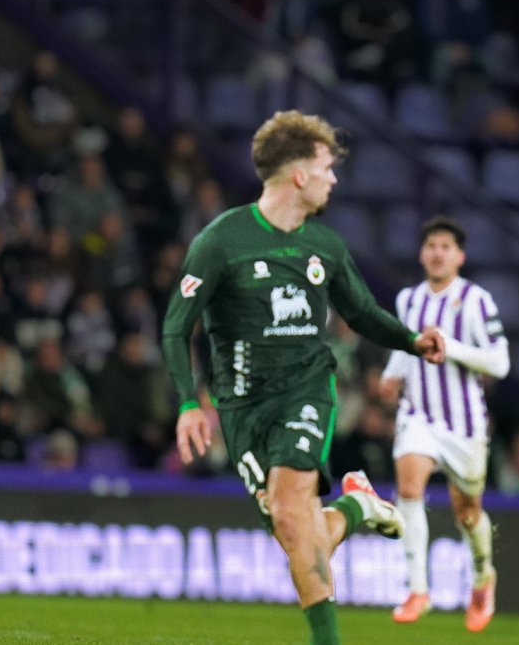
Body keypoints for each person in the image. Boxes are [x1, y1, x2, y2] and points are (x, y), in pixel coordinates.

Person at [161, 110, 446, 645]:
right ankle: (357, 507)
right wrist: (187, 403)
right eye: (325, 168)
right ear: (298, 175)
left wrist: (412, 340)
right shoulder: (222, 241)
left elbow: (362, 313)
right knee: (295, 530)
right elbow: (177, 327)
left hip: (305, 390)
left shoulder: (326, 247)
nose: (332, 179)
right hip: (241, 407)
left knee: (293, 515)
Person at [377, 216, 510, 631]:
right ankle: (418, 589)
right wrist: (392, 374)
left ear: (460, 256)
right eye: (431, 245)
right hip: (417, 413)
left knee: (467, 513)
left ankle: (483, 576)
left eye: (445, 247)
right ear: (421, 254)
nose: (437, 253)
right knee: (409, 488)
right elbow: (405, 346)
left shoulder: (476, 300)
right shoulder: (409, 300)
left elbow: (500, 363)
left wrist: (450, 347)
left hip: (464, 423)